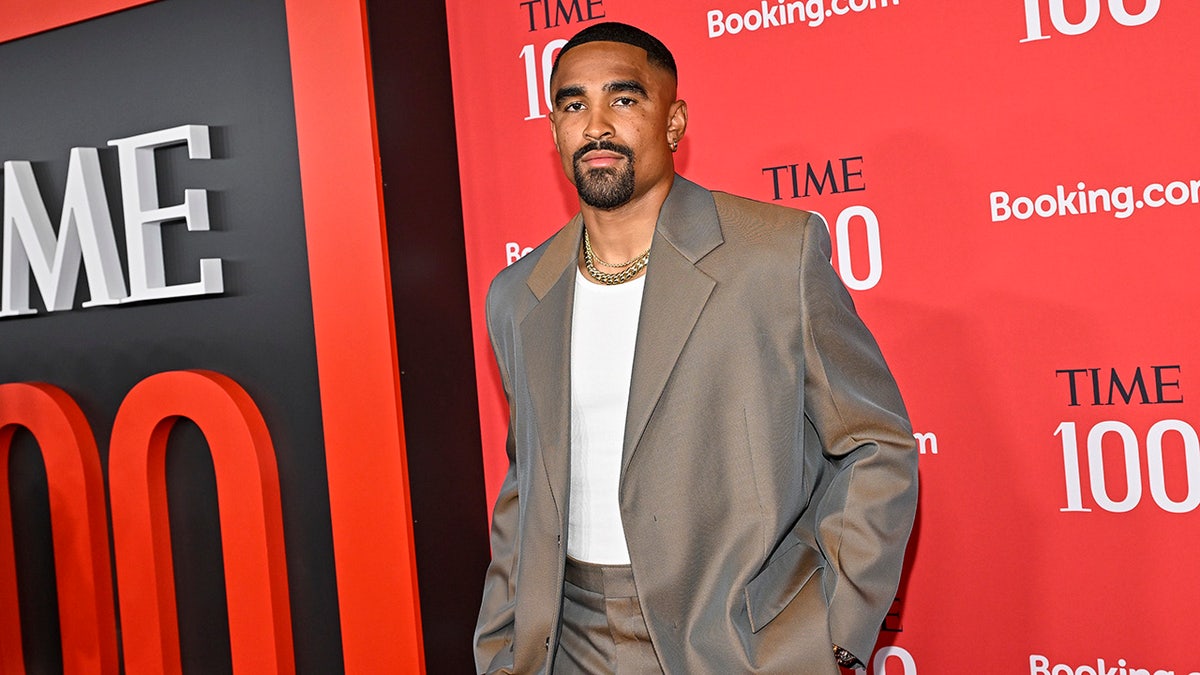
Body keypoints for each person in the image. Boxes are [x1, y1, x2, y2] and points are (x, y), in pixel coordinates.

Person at [474, 21, 918, 674]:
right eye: (573, 105)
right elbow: (526, 485)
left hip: (733, 642)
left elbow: (874, 443)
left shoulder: (775, 256)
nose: (596, 125)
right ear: (554, 129)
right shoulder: (517, 295)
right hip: (562, 644)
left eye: (624, 99)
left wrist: (832, 628)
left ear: (674, 122)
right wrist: (499, 643)